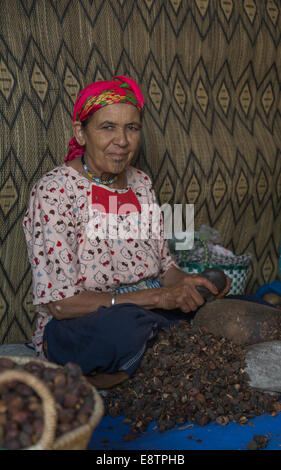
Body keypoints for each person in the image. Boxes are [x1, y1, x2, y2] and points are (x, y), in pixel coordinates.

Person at [23, 75, 230, 388]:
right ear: (81, 132)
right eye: (107, 127)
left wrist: (186, 283)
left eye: (132, 128)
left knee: (222, 302)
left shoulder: (141, 183)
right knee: (125, 328)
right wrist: (158, 297)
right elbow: (62, 304)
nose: (122, 140)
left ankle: (141, 360)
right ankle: (141, 358)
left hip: (150, 307)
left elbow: (165, 267)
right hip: (86, 321)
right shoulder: (55, 192)